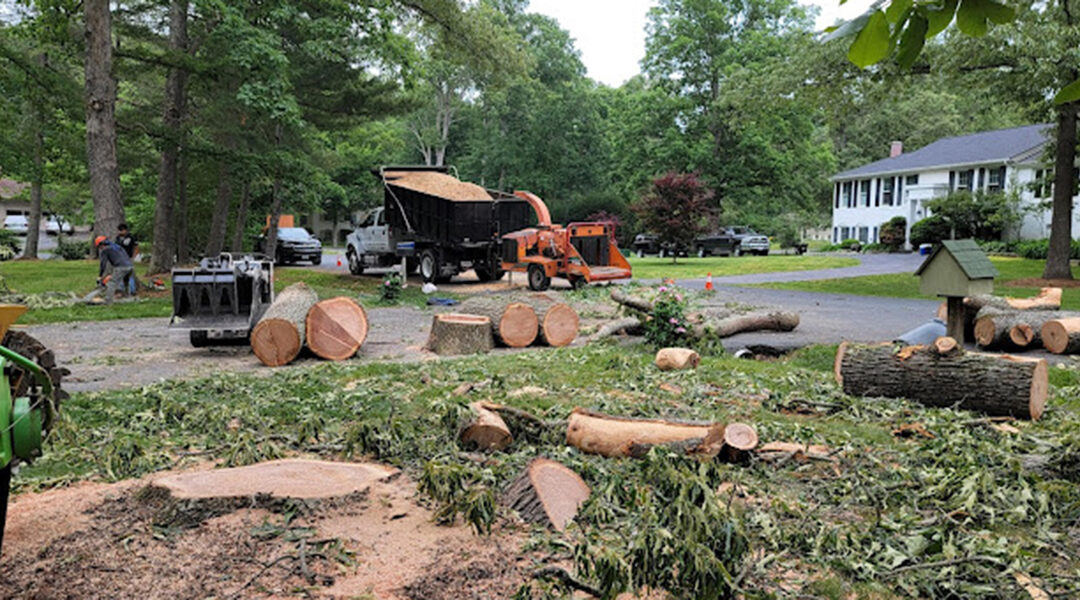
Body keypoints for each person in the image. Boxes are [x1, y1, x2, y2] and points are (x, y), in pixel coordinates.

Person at [96, 235, 133, 305]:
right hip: (130, 266)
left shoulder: (105, 249)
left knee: (111, 283)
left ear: (101, 244)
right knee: (126, 282)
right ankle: (128, 297)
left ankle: (108, 302)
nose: (100, 248)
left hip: (121, 267)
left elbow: (103, 264)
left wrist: (100, 276)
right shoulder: (117, 246)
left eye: (99, 246)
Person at [115, 223, 138, 294]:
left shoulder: (131, 237)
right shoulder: (117, 238)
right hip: (120, 258)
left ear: (125, 230)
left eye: (122, 230)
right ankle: (121, 290)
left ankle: (132, 290)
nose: (120, 232)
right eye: (119, 230)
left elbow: (136, 247)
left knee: (130, 274)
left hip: (128, 257)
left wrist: (134, 257)